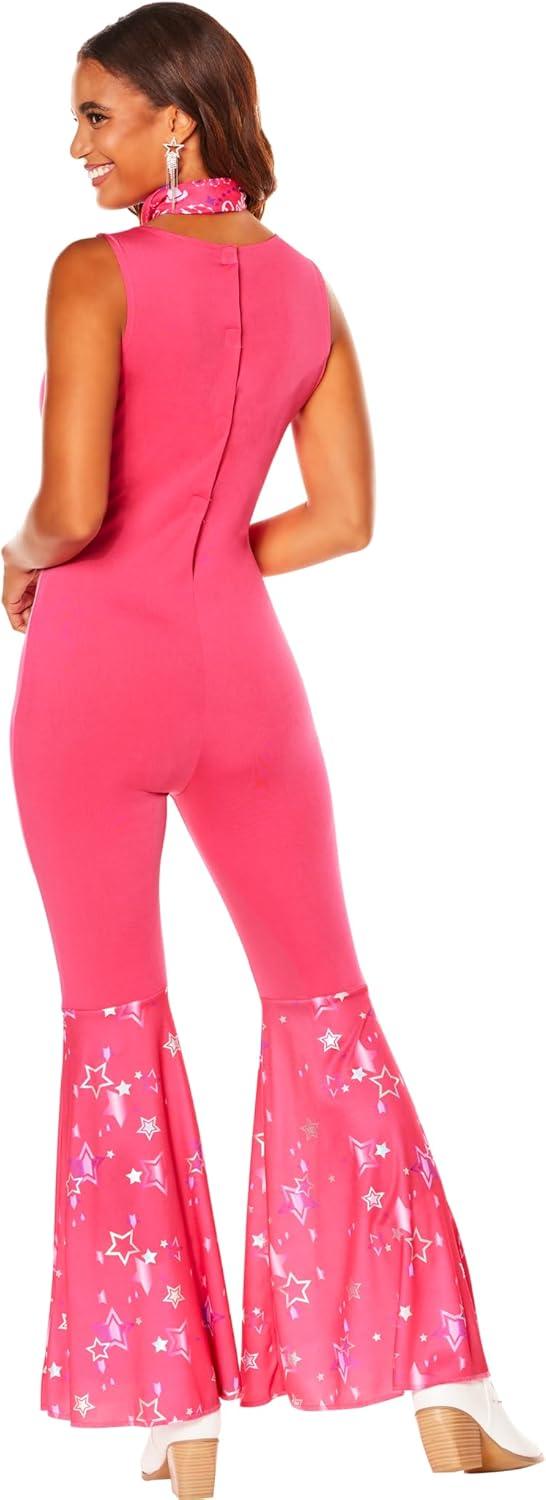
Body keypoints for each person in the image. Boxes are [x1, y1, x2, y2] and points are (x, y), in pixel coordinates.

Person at [2, 4, 542, 1493]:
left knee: (118, 1024)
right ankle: (454, 1384)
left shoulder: (94, 273)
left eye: (97, 115)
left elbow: (71, 503)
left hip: (95, 676)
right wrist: (207, 566)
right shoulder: (307, 285)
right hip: (246, 678)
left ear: (177, 119)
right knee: (327, 1009)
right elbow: (346, 517)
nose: (76, 146)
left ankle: (176, 1424)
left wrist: (20, 560)